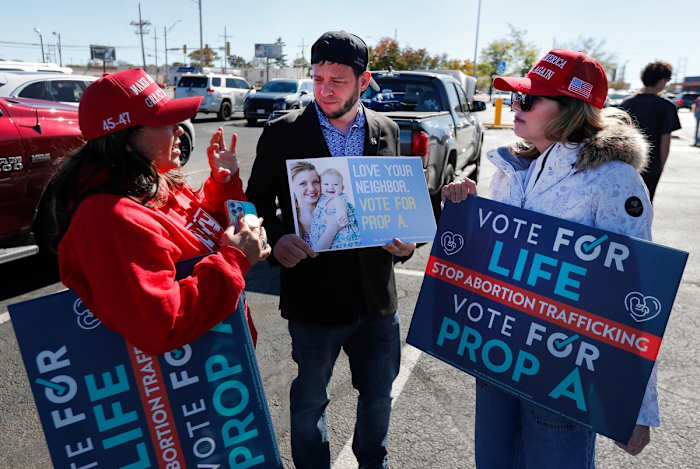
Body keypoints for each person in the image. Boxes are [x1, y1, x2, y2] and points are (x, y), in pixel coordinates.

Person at [443, 49, 658, 468]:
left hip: (563, 372)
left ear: (571, 109)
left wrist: (635, 403)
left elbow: (636, 292)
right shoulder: (512, 166)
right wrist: (469, 214)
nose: (515, 107)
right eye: (517, 98)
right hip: (499, 355)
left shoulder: (613, 179)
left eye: (529, 100)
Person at [245, 31, 416, 469]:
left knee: (378, 398)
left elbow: (397, 207)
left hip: (377, 301)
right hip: (313, 299)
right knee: (309, 403)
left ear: (364, 80)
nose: (324, 89)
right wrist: (276, 239)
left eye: (337, 80)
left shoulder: (387, 130)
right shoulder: (283, 132)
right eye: (318, 77)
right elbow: (256, 203)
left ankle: (372, 462)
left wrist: (406, 243)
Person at [45, 68, 270, 355]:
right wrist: (235, 259)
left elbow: (203, 230)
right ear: (124, 140)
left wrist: (223, 184)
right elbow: (163, 325)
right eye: (165, 121)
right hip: (190, 384)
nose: (179, 129)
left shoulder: (154, 182)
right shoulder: (110, 218)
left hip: (222, 366)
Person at [620, 61, 681, 202]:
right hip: (651, 165)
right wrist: (661, 166)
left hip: (625, 163)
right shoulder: (666, 106)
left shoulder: (627, 103)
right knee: (645, 203)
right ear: (661, 81)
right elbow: (665, 140)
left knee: (621, 201)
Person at [310, 167, 360, 250]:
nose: (331, 187)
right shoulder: (322, 199)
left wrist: (341, 214)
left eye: (335, 184)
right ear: (320, 186)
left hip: (340, 237)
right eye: (326, 184)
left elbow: (340, 206)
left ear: (342, 188)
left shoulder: (337, 198)